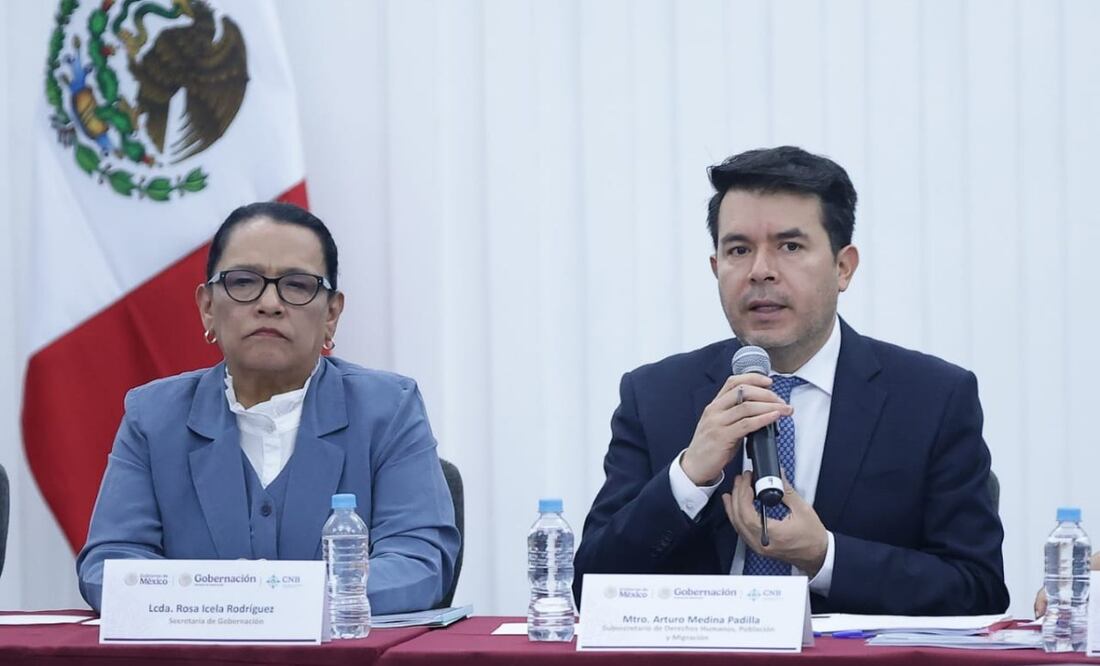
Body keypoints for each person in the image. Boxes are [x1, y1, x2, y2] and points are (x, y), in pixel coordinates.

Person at [573, 146, 1009, 615]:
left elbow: (978, 590)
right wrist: (688, 477)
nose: (760, 271)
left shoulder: (932, 400)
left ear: (843, 267)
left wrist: (824, 556)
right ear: (716, 269)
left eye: (790, 247)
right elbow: (591, 589)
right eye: (739, 250)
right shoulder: (655, 396)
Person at [76, 202, 459, 613]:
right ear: (208, 307)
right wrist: (243, 602)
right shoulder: (153, 417)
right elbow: (109, 566)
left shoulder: (388, 409)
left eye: (297, 285)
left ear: (331, 314)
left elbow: (419, 564)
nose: (270, 303)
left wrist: (267, 600)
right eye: (244, 282)